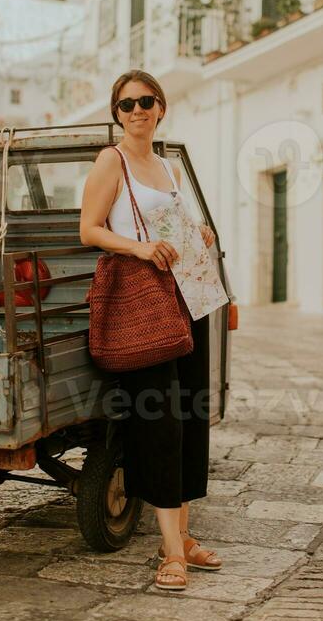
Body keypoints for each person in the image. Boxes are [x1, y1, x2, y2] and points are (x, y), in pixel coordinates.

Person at [79, 68, 223, 591]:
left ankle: (183, 536)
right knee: (159, 424)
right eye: (127, 104)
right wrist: (138, 247)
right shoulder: (110, 161)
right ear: (117, 114)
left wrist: (196, 233)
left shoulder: (167, 167)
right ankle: (169, 553)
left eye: (146, 101)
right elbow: (89, 228)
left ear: (161, 107)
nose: (137, 110)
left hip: (187, 295)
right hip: (143, 305)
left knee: (190, 417)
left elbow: (169, 226)